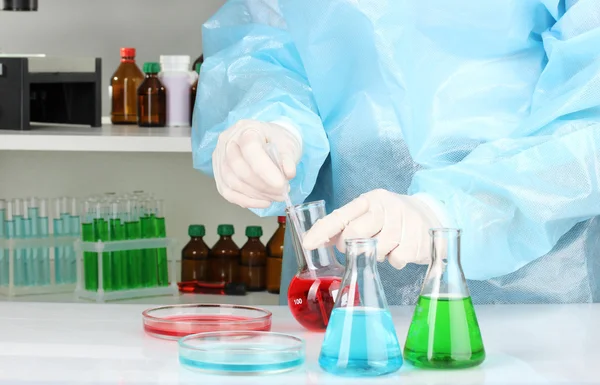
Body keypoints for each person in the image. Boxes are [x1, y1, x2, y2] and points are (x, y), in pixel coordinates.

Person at [192, 0, 600, 304]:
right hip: (342, 278)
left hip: (533, 278)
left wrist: (458, 211)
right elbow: (264, 45)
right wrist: (271, 119)